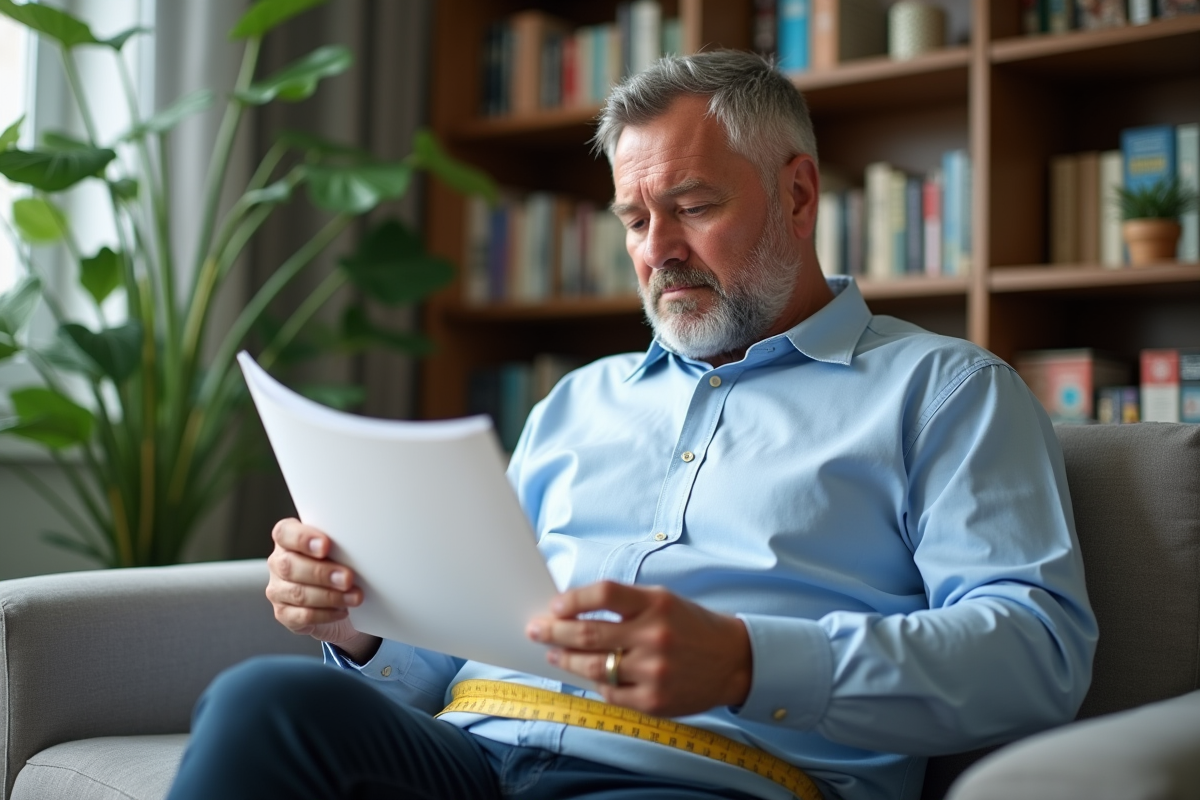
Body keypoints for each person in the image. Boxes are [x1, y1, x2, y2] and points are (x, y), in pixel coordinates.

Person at [167, 50, 1096, 800]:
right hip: (470, 757)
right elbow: (451, 654)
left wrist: (745, 663)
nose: (659, 252)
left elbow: (1037, 651)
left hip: (713, 776)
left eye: (693, 207)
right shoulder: (575, 401)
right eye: (634, 219)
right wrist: (363, 624)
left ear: (800, 194)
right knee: (264, 700)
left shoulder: (944, 392)